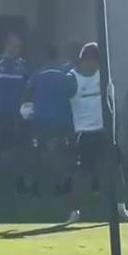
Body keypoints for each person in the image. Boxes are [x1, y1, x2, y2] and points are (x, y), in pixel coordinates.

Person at [67, 42, 128, 225]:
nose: (97, 65)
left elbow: (111, 103)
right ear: (87, 60)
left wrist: (114, 127)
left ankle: (122, 208)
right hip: (85, 133)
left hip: (104, 132)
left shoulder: (104, 77)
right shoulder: (71, 79)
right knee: (82, 176)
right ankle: (75, 212)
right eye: (95, 61)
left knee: (117, 172)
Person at [25, 44, 74, 197]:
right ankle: (60, 183)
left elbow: (28, 90)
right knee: (60, 151)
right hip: (61, 119)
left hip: (41, 118)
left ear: (44, 57)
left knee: (39, 151)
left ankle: (34, 183)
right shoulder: (64, 74)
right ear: (57, 56)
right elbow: (72, 91)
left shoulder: (38, 74)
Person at [0, 32, 29, 194]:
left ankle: (19, 181)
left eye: (18, 46)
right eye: (13, 45)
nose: (15, 49)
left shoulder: (22, 65)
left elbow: (27, 86)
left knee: (18, 148)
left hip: (16, 113)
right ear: (6, 45)